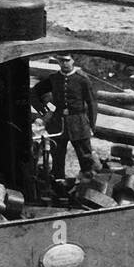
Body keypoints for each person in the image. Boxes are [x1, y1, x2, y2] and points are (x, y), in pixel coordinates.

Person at [31, 54, 97, 182]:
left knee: (86, 157)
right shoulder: (54, 78)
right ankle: (58, 185)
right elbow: (34, 92)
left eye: (67, 60)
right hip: (58, 123)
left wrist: (91, 126)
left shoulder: (82, 80)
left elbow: (92, 103)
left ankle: (88, 185)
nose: (64, 63)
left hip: (78, 122)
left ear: (73, 61)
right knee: (57, 157)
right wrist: (43, 109)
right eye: (61, 61)